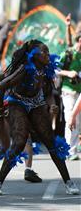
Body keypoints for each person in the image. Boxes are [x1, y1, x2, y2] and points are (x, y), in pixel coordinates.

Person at [0, 39, 79, 196]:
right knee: (19, 142)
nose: (48, 55)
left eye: (48, 52)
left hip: (36, 104)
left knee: (51, 141)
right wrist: (2, 107)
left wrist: (51, 105)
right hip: (17, 102)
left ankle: (68, 182)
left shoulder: (46, 69)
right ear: (33, 55)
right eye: (44, 52)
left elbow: (49, 93)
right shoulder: (24, 69)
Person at [0, 72, 43, 183]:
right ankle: (28, 170)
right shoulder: (26, 73)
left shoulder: (11, 71)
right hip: (7, 103)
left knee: (5, 144)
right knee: (25, 137)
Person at [57, 14, 81, 160]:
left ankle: (73, 150)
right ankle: (69, 151)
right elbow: (54, 69)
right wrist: (69, 73)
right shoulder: (68, 53)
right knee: (69, 119)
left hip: (79, 92)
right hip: (68, 91)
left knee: (77, 120)